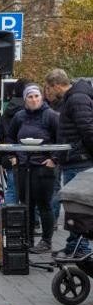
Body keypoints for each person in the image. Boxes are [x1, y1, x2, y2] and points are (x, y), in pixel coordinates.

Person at [6, 84, 59, 254]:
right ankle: (27, 239)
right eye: (30, 97)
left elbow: (61, 138)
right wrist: (13, 156)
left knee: (44, 205)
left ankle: (46, 241)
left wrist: (54, 159)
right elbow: (10, 137)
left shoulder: (50, 115)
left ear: (41, 97)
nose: (34, 100)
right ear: (25, 99)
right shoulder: (19, 116)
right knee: (26, 204)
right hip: (23, 166)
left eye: (36, 96)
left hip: (43, 167)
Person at [56, 76, 93, 257]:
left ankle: (82, 248)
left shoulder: (77, 98)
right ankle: (74, 245)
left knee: (79, 207)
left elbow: (87, 128)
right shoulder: (75, 97)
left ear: (55, 85)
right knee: (74, 208)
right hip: (74, 158)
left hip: (79, 159)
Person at [45, 69, 71, 223]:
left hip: (61, 151)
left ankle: (52, 219)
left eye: (48, 88)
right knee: (54, 186)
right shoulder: (54, 104)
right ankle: (51, 219)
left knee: (56, 187)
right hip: (58, 150)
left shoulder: (67, 103)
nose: (46, 92)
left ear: (56, 86)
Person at [0, 79, 27, 205]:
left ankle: (10, 221)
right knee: (29, 191)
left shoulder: (7, 110)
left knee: (12, 190)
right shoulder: (29, 111)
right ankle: (32, 220)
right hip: (27, 156)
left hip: (10, 155)